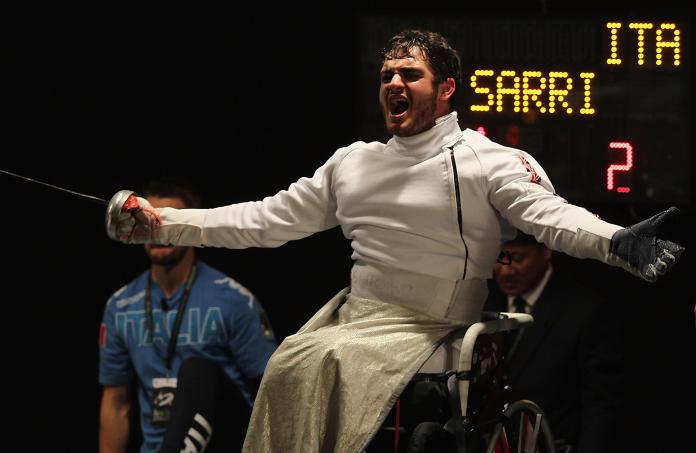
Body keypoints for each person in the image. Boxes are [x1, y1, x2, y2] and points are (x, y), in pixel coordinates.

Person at [106, 30, 684, 452]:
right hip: (358, 317)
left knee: (326, 357)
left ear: (447, 89)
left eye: (410, 74)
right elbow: (264, 220)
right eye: (387, 76)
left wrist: (617, 241)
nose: (394, 84)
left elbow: (547, 215)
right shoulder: (351, 164)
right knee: (290, 362)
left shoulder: (488, 161)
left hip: (435, 325)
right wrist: (162, 224)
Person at [98, 178, 277, 453]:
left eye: (166, 223)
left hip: (227, 441)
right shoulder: (120, 306)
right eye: (147, 222)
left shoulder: (234, 300)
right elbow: (116, 403)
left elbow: (272, 395)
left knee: (198, 370)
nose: (156, 232)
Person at [485, 231, 622, 453]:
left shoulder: (585, 309)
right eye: (499, 258)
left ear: (546, 251)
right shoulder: (481, 300)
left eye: (518, 258)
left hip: (554, 442)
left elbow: (600, 401)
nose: (506, 270)